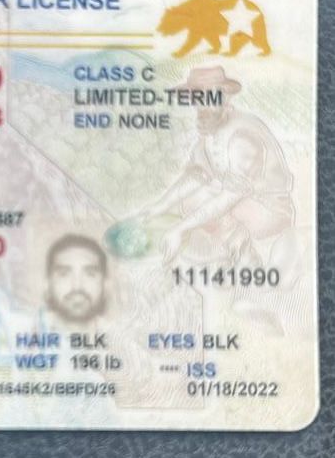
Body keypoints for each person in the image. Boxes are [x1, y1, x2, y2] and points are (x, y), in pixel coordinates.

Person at [139, 66, 294, 266]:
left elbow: (232, 194)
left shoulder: (242, 135)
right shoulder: (211, 129)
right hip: (239, 201)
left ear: (225, 98)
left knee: (203, 210)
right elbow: (198, 175)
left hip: (268, 209)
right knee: (190, 201)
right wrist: (159, 206)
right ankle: (225, 245)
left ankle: (243, 254)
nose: (201, 105)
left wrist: (181, 228)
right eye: (197, 99)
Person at [45, 234, 108, 323]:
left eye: (90, 274)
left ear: (104, 283)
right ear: (48, 283)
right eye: (64, 274)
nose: (77, 286)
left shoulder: (120, 331)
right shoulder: (29, 328)